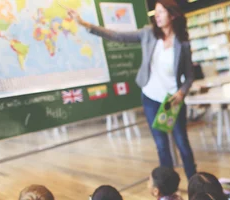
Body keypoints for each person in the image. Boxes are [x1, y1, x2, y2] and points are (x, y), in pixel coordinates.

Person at [71, 0, 197, 179]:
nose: (157, 16)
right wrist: (86, 25)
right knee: (161, 146)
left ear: (172, 15)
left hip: (173, 100)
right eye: (156, 12)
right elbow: (118, 36)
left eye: (161, 12)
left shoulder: (182, 43)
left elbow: (190, 76)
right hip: (151, 98)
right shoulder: (148, 34)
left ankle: (196, 183)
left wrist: (181, 92)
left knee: (182, 143)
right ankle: (167, 189)